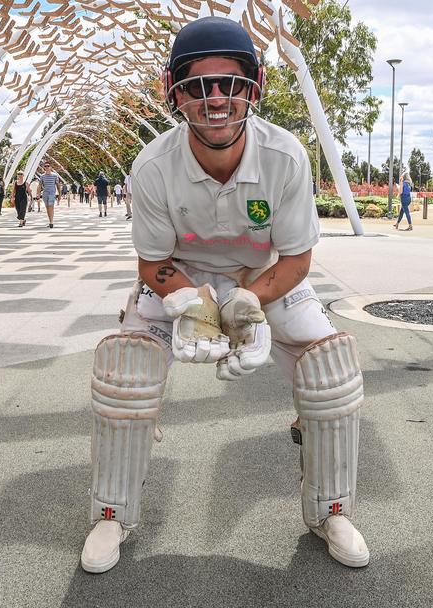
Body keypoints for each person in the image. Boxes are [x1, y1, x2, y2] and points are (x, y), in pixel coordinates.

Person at [80, 17, 369, 574]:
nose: (216, 100)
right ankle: (110, 514)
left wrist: (247, 304)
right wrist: (193, 304)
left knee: (330, 366)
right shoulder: (153, 166)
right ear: (176, 94)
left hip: (265, 277)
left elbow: (297, 259)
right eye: (198, 86)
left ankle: (332, 510)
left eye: (229, 84)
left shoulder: (284, 157)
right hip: (182, 277)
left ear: (253, 89)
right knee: (127, 369)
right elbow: (152, 262)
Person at [40, 162, 62, 228]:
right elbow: (40, 185)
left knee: (51, 206)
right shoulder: (42, 176)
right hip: (45, 193)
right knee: (47, 208)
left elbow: (58, 185)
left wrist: (59, 194)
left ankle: (51, 222)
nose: (47, 167)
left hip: (52, 193)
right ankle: (50, 221)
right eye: (45, 166)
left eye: (48, 166)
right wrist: (38, 194)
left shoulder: (55, 175)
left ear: (51, 167)